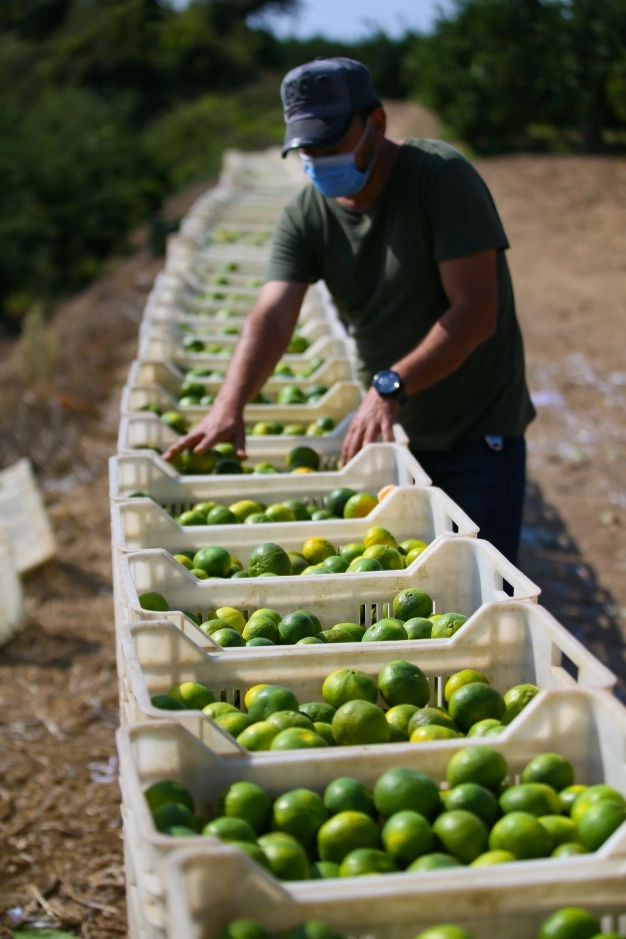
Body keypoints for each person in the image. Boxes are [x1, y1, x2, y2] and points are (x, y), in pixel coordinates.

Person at [164, 57, 535, 563]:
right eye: (307, 150)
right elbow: (271, 318)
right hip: (389, 435)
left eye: (330, 144)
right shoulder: (307, 215)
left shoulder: (441, 179)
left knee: (478, 577)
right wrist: (229, 405)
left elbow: (475, 313)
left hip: (474, 434)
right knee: (408, 572)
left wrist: (390, 386)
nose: (318, 160)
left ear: (375, 123)